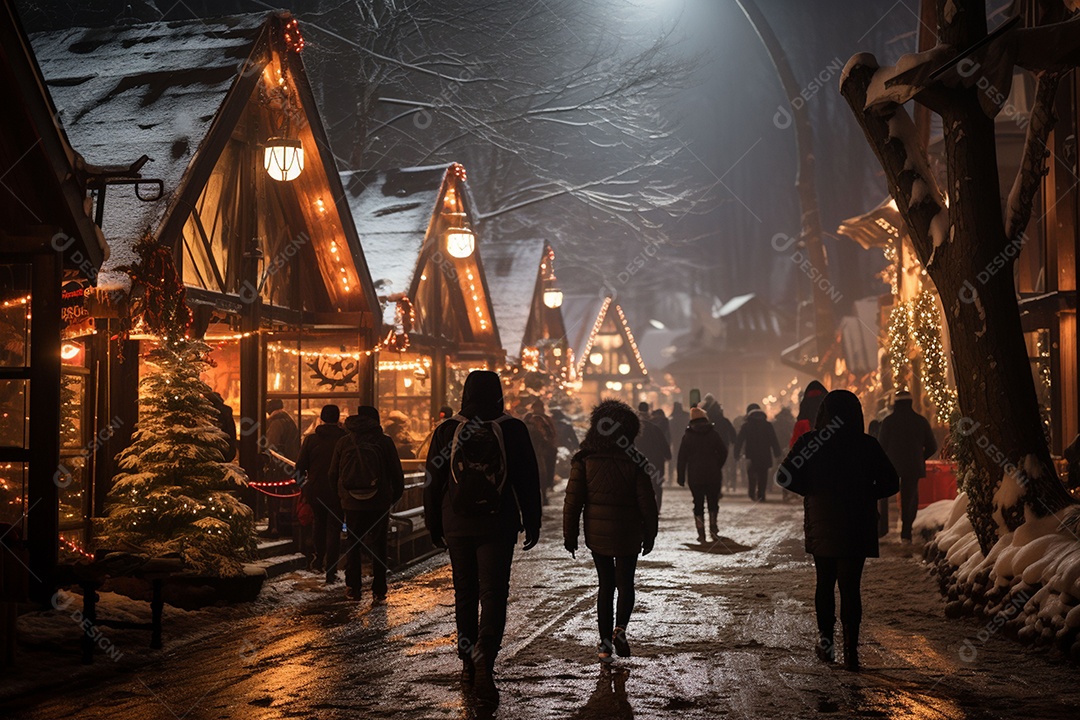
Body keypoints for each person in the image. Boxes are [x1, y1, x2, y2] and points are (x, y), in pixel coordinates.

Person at [424, 371, 542, 706]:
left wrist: (434, 523)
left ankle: (466, 663)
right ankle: (485, 660)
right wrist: (532, 520)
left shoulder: (447, 429)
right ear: (498, 393)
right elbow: (527, 478)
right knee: (493, 592)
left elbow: (432, 480)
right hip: (498, 522)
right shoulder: (512, 428)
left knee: (465, 592)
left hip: (456, 522)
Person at [777, 390, 899, 671]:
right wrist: (868, 493)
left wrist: (810, 490)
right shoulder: (867, 445)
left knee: (824, 583)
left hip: (822, 520)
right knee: (850, 587)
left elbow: (784, 475)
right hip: (857, 522)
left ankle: (827, 646)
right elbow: (892, 482)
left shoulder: (811, 442)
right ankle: (851, 652)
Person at [564, 400, 659, 666]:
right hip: (628, 532)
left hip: (597, 533)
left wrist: (569, 534)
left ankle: (604, 646)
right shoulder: (636, 461)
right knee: (626, 582)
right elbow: (647, 503)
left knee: (605, 585)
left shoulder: (584, 460)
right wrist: (650, 533)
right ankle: (621, 628)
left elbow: (573, 502)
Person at [328, 406, 405, 603]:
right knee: (379, 545)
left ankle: (353, 587)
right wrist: (390, 498)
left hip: (352, 502)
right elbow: (397, 474)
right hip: (378, 502)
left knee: (353, 543)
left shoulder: (344, 442)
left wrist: (342, 497)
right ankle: (379, 589)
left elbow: (333, 474)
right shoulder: (384, 441)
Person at [876, 391, 937, 542]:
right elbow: (932, 446)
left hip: (891, 465)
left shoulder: (888, 421)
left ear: (895, 404)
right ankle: (906, 532)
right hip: (913, 466)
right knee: (909, 498)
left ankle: (882, 529)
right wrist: (921, 458)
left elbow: (881, 445)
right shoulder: (920, 421)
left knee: (883, 495)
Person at [294, 404, 347, 581]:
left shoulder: (311, 440)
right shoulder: (345, 439)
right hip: (338, 491)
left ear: (322, 418)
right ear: (338, 418)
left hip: (316, 490)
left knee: (319, 524)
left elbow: (300, 467)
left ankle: (318, 561)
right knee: (334, 528)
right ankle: (331, 569)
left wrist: (304, 487)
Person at [677, 406, 728, 543]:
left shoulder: (687, 436)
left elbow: (682, 458)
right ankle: (713, 528)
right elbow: (723, 452)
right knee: (713, 502)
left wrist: (681, 476)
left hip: (695, 475)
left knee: (698, 503)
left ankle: (701, 532)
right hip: (713, 474)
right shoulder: (713, 434)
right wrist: (717, 465)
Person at [264, 398, 301, 536]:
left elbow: (271, 446)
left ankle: (274, 527)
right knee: (285, 495)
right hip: (289, 463)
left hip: (279, 466)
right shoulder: (289, 421)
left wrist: (267, 460)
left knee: (274, 496)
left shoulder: (276, 423)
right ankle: (284, 526)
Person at [735, 403, 781, 502]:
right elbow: (774, 440)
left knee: (751, 475)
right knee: (763, 476)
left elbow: (739, 441)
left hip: (751, 456)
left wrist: (736, 453)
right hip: (765, 455)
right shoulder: (768, 425)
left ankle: (751, 493)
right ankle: (761, 494)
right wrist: (777, 453)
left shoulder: (746, 426)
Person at [635, 402, 671, 511]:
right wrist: (667, 455)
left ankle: (643, 506)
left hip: (639, 460)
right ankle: (656, 506)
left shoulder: (634, 428)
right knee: (656, 485)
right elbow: (663, 442)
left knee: (640, 484)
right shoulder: (655, 427)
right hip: (656, 460)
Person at [524, 399, 558, 505]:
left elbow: (551, 434)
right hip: (533, 450)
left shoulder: (545, 419)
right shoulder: (529, 419)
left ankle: (543, 495)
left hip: (542, 450)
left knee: (543, 473)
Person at [668, 401, 689, 484]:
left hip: (675, 442)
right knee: (685, 460)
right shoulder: (686, 418)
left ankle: (671, 478)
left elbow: (670, 432)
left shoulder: (672, 419)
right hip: (685, 442)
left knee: (673, 460)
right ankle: (686, 478)